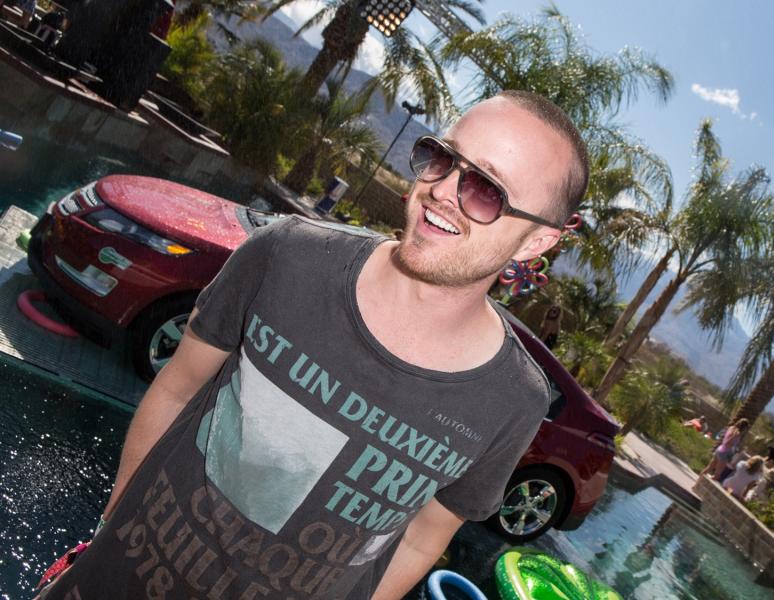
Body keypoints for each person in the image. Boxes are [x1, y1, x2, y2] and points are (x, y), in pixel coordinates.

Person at [37, 90, 589, 600]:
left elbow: (423, 538)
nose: (442, 191)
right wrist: (109, 528)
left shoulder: (513, 400)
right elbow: (177, 389)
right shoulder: (287, 254)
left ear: (538, 240)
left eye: (487, 189)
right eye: (444, 158)